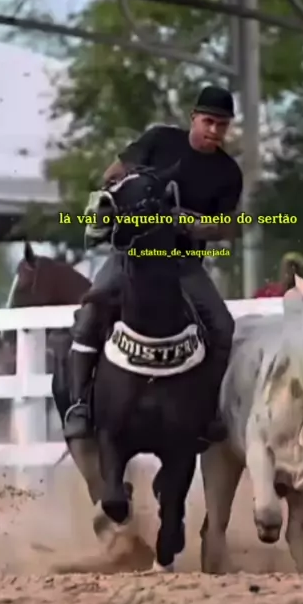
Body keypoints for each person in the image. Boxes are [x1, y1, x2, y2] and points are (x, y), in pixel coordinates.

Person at [63, 85, 243, 440]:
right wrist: (133, 199)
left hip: (183, 264)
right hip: (131, 255)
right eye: (208, 121)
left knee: (222, 327)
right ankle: (79, 404)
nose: (214, 131)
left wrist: (186, 222)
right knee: (89, 316)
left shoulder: (228, 173)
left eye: (222, 125)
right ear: (193, 118)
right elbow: (111, 176)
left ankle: (208, 411)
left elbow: (226, 228)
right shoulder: (159, 141)